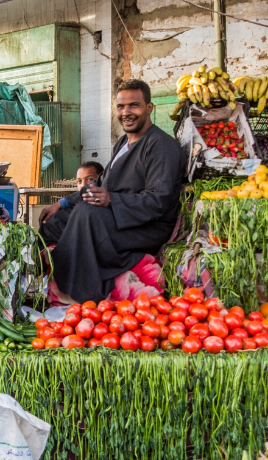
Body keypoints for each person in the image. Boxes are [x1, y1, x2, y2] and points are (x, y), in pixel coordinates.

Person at [38, 79, 186, 303]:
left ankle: (79, 293)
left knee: (86, 214)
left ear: (149, 108)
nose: (126, 112)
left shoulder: (161, 146)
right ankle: (44, 279)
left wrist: (111, 200)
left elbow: (158, 201)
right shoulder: (122, 144)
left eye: (134, 105)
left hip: (145, 226)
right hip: (113, 217)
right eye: (120, 107)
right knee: (54, 221)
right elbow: (99, 186)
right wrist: (62, 204)